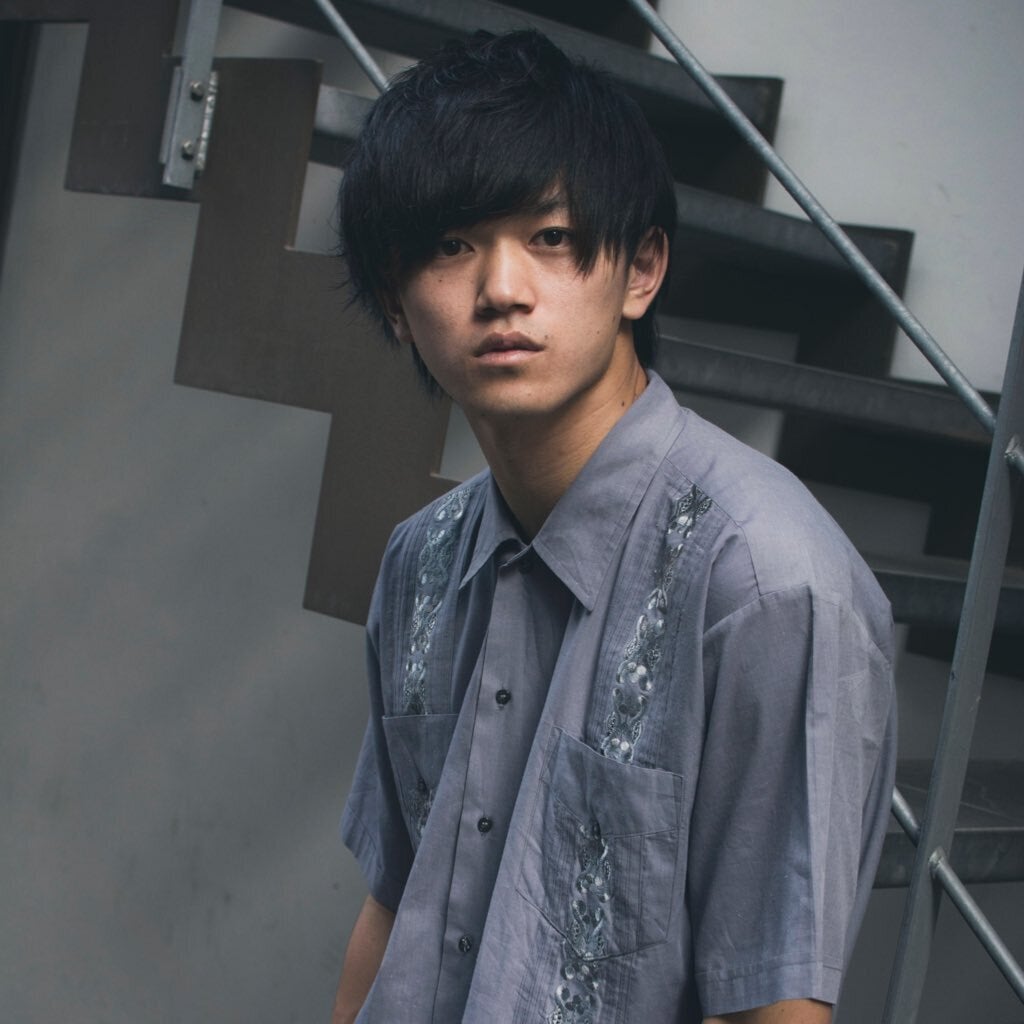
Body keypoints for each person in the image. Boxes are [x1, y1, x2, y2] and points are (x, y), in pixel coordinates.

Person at [331, 28, 896, 1024]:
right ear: (395, 302)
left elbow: (771, 1008)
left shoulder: (764, 582)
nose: (501, 290)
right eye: (451, 245)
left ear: (640, 269)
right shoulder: (420, 560)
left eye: (550, 237)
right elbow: (394, 904)